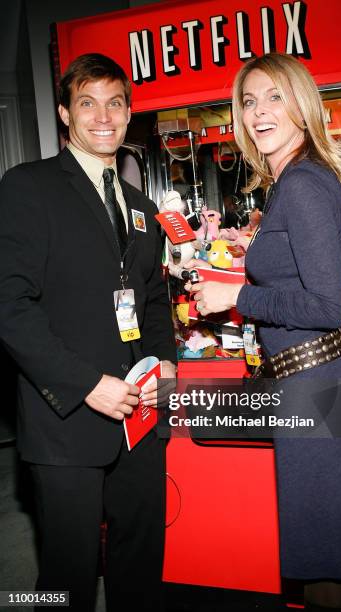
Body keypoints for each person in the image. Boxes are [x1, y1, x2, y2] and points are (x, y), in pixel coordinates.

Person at [187, 53, 341, 611]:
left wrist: (236, 295)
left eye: (275, 97)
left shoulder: (302, 183)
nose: (260, 112)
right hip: (318, 382)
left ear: (302, 106)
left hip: (312, 386)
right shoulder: (294, 179)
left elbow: (328, 306)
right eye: (250, 100)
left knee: (323, 556)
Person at [0, 53, 176, 611]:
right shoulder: (28, 187)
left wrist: (165, 363)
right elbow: (9, 304)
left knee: (140, 560)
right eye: (87, 102)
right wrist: (84, 383)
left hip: (142, 417)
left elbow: (151, 301)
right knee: (66, 574)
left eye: (115, 103)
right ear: (64, 113)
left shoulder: (144, 209)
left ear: (129, 113)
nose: (104, 116)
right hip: (69, 417)